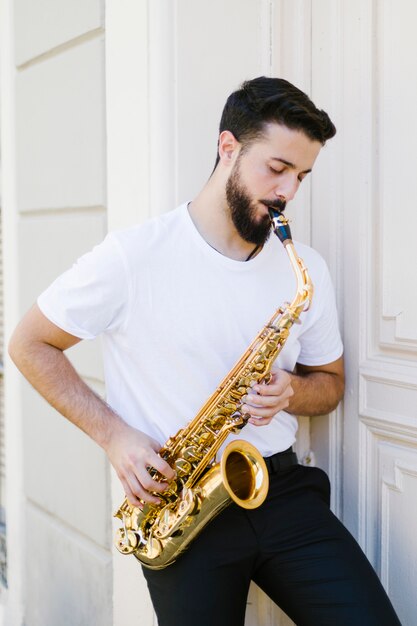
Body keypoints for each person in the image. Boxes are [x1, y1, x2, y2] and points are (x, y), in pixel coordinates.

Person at [9, 77, 401, 626]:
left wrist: (292, 392)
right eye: (277, 168)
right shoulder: (133, 256)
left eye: (302, 176)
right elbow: (30, 344)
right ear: (228, 148)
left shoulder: (303, 268)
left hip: (281, 490)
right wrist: (114, 435)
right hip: (180, 506)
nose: (288, 191)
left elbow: (330, 384)